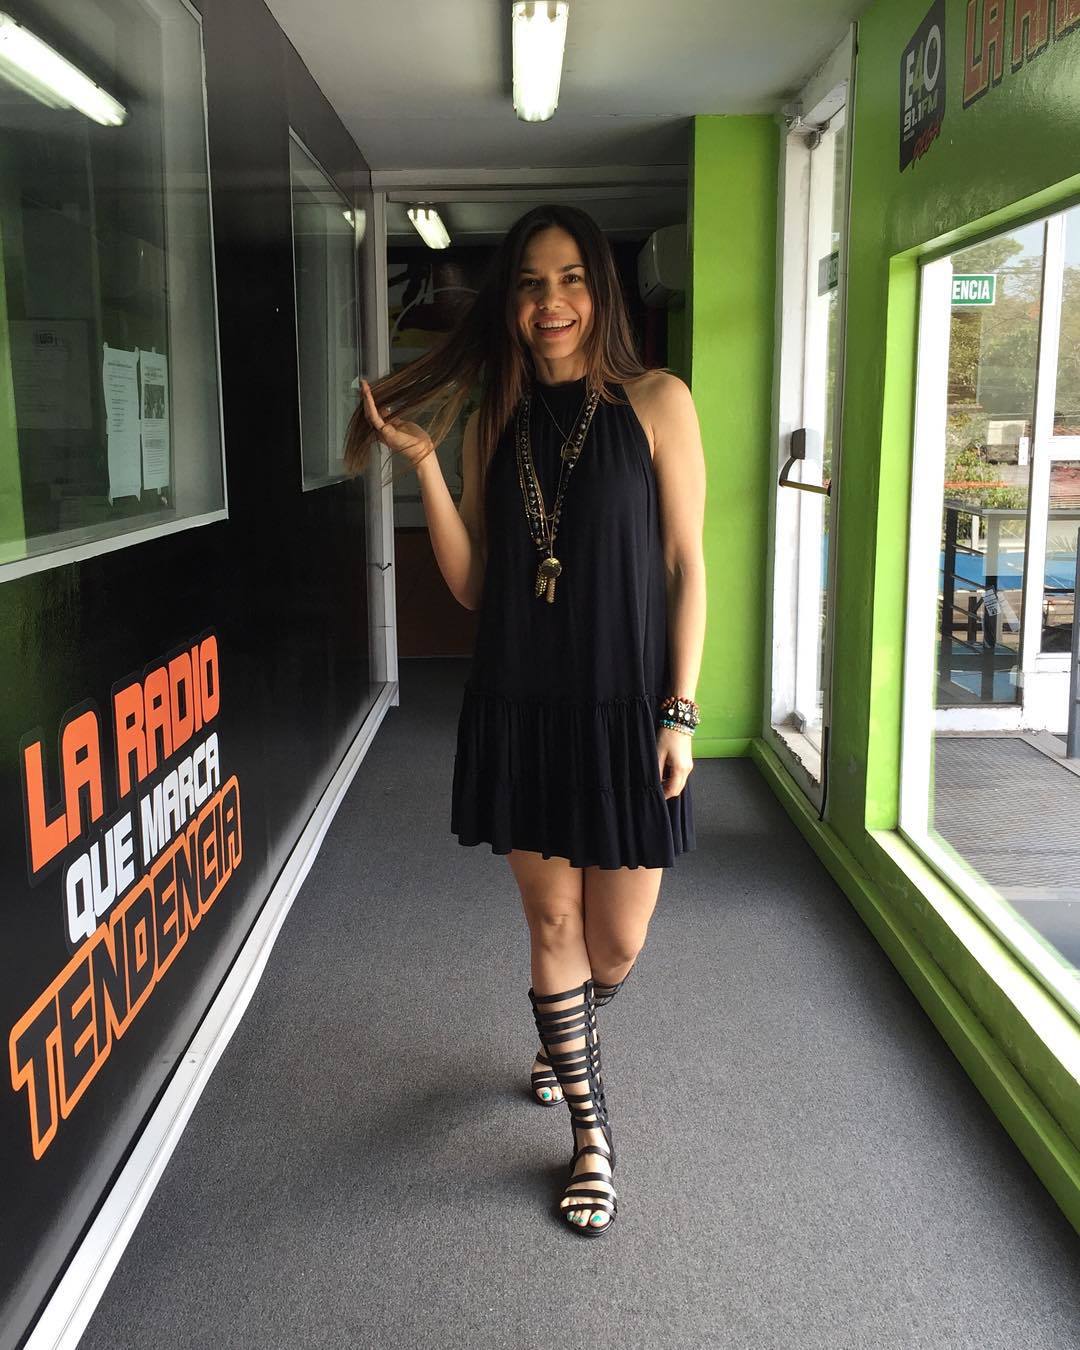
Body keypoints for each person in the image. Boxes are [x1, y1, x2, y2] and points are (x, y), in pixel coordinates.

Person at [343, 204, 706, 1237]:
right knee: (552, 926)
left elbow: (690, 567)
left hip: (627, 709)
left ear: (602, 291)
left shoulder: (659, 401)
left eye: (571, 278)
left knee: (616, 946)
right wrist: (424, 463)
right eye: (531, 283)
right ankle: (591, 1136)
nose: (552, 302)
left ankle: (567, 1034)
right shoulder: (493, 420)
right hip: (522, 706)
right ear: (511, 303)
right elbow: (471, 585)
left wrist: (680, 711)